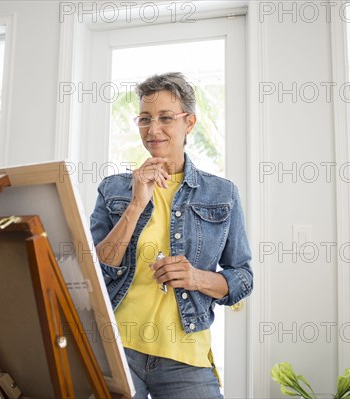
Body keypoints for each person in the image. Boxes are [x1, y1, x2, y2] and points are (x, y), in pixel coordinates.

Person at [90, 72, 252, 398]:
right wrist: (135, 204)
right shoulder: (114, 189)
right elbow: (95, 271)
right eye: (145, 119)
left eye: (166, 118)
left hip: (185, 356)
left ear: (189, 123)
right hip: (118, 349)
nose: (153, 130)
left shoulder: (222, 193)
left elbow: (243, 278)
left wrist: (196, 278)